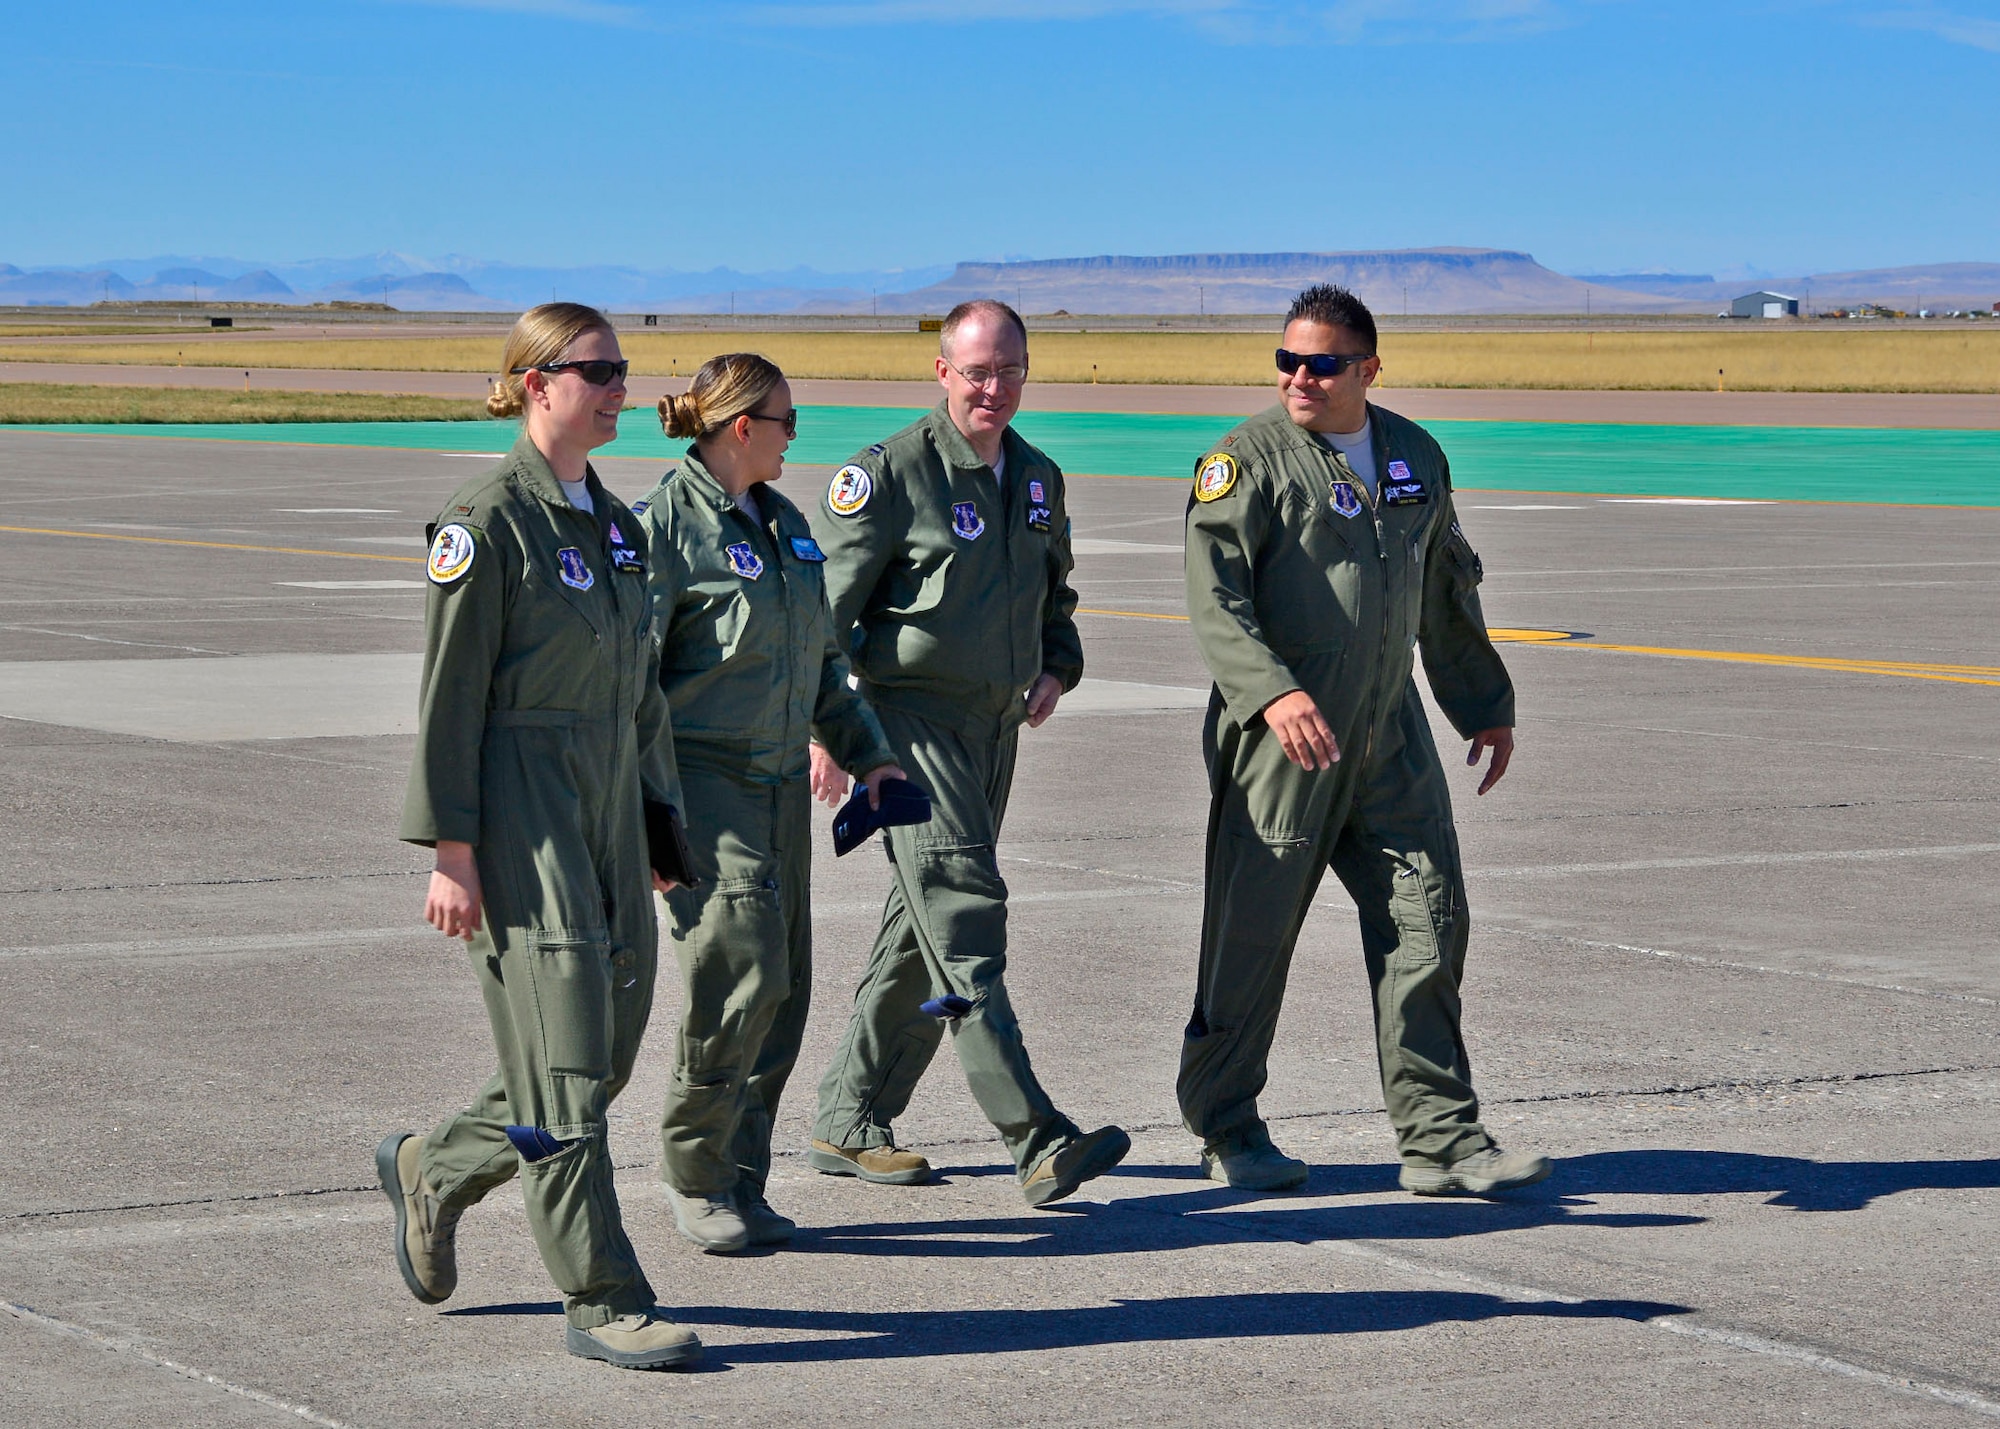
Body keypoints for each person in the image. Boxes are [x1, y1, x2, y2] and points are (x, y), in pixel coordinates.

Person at [375, 302, 701, 1370]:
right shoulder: (487, 520)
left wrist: (660, 828)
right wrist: (452, 852)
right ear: (533, 384)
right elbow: (449, 697)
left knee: (594, 1061)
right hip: (521, 819)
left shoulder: (613, 521)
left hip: (608, 815)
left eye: (620, 367)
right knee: (564, 1078)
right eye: (594, 369)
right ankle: (600, 1295)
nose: (617, 385)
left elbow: (640, 696)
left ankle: (436, 1168)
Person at [1179, 283, 1550, 1197]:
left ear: (1368, 369)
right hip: (1282, 745)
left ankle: (1441, 1139)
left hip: (1388, 735)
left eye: (1323, 364)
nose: (1300, 377)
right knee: (1251, 940)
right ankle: (1227, 1126)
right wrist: (1270, 695)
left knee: (1430, 921)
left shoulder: (1415, 455)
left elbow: (1444, 588)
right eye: (1287, 361)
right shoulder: (1245, 462)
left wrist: (1483, 702)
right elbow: (1214, 598)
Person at [807, 299, 1129, 1208]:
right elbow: (827, 616)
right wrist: (826, 731)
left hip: (994, 731)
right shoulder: (890, 474)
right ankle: (1034, 1134)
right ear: (943, 371)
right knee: (964, 913)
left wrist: (1056, 667)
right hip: (909, 728)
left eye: (1011, 370)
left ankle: (850, 1114)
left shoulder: (1036, 476)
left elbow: (1056, 590)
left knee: (921, 928)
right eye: (978, 371)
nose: (995, 387)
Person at [632, 353, 906, 1254]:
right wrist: (641, 813)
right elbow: (631, 680)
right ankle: (694, 1171)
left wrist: (871, 757)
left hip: (783, 784)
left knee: (782, 987)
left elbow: (825, 662)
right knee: (737, 971)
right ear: (743, 427)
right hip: (703, 784)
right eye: (789, 421)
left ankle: (743, 1177)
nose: (798, 436)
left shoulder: (785, 525)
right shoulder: (665, 527)